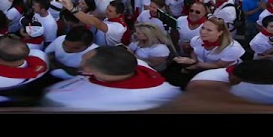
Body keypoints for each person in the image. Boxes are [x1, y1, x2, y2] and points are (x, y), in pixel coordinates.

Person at [40, 45, 182, 111]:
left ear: (90, 70)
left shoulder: (74, 99)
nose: (81, 65)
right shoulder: (140, 66)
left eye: (84, 62)